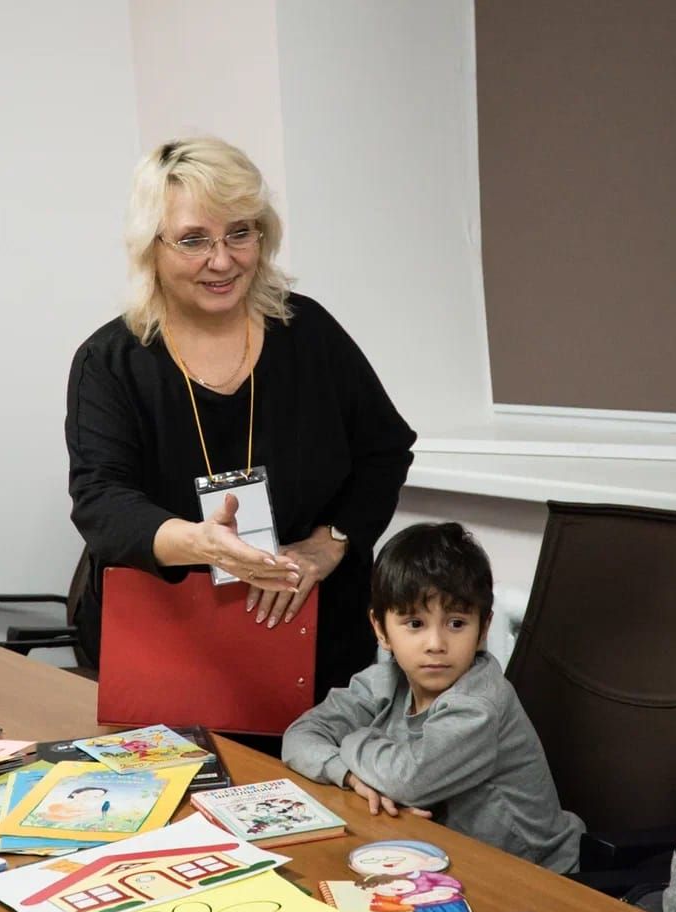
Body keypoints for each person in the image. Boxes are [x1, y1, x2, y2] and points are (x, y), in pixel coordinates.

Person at [65, 137, 415, 709]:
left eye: (239, 233)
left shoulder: (310, 334)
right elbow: (101, 503)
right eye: (193, 240)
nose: (223, 260)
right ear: (151, 247)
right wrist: (202, 544)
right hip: (165, 645)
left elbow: (385, 450)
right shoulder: (109, 362)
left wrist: (332, 542)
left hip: (314, 645)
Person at [282, 522, 585, 872]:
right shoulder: (384, 682)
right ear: (381, 629)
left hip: (537, 876)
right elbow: (298, 737)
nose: (436, 644)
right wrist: (349, 775)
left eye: (456, 623)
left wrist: (353, 740)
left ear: (483, 629)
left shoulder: (479, 703)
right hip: (449, 858)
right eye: (415, 624)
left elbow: (408, 781)